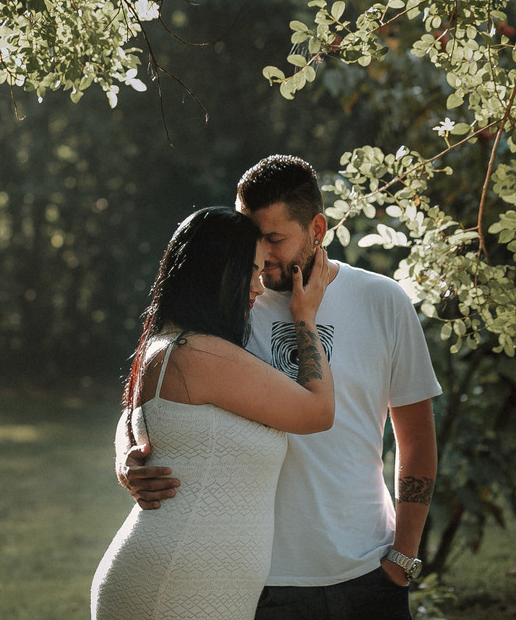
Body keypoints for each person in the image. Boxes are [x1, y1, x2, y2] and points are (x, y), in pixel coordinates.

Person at [117, 155, 442, 620]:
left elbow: (418, 439)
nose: (262, 252)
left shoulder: (383, 300)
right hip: (261, 579)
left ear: (316, 229)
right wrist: (127, 457)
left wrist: (403, 557)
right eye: (251, 235)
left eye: (274, 238)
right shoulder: (230, 305)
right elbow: (156, 385)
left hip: (369, 569)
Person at [91, 206, 334, 620]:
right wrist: (305, 317)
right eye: (252, 271)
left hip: (186, 583)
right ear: (218, 270)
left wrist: (123, 454)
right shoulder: (196, 352)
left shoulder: (172, 344)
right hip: (176, 586)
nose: (259, 286)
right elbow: (318, 411)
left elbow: (139, 418)